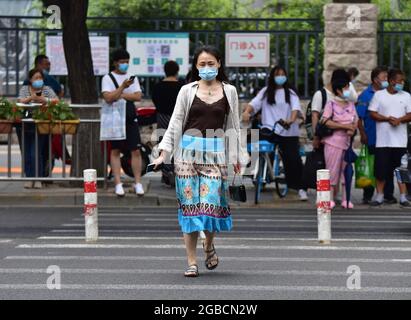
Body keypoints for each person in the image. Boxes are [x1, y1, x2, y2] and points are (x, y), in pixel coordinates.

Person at [152, 45, 248, 277]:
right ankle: (192, 262)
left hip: (215, 156)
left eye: (211, 63)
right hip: (186, 155)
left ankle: (208, 244)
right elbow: (175, 123)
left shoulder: (230, 91)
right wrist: (163, 152)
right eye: (202, 64)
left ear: (219, 64)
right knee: (190, 210)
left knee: (211, 205)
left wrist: (237, 157)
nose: (206, 68)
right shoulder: (186, 90)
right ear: (196, 67)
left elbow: (234, 126)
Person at [241, 65, 308, 201]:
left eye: (283, 74)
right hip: (269, 128)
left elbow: (295, 109)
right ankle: (256, 169)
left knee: (293, 159)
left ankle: (300, 188)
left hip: (288, 130)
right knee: (252, 139)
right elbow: (253, 104)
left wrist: (291, 120)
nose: (280, 77)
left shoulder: (291, 93)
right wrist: (247, 112)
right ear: (272, 77)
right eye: (277, 74)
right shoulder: (266, 92)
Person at [101, 48, 144, 197]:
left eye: (127, 62)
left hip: (130, 117)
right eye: (122, 62)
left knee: (136, 150)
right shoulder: (107, 78)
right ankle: (118, 183)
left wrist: (120, 94)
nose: (125, 65)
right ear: (115, 63)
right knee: (115, 151)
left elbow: (138, 96)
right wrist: (123, 88)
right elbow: (108, 97)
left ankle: (138, 182)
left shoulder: (133, 78)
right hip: (115, 119)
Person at [369, 68, 411, 208]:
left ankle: (403, 197)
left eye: (403, 81)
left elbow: (410, 114)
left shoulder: (406, 96)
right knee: (381, 170)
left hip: (400, 141)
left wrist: (399, 120)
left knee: (401, 169)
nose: (402, 83)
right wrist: (387, 119)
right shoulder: (379, 95)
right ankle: (379, 196)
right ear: (392, 81)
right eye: (399, 81)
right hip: (383, 141)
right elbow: (372, 113)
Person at [356, 66, 394, 204]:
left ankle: (388, 195)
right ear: (375, 79)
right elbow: (358, 117)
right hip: (372, 137)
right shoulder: (365, 95)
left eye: (387, 77)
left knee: (388, 166)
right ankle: (368, 194)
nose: (386, 80)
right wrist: (362, 133)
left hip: (388, 137)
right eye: (384, 77)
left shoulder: (389, 93)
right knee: (372, 166)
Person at [320, 77, 358, 209]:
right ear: (338, 90)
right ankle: (329, 199)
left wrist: (352, 129)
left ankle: (345, 199)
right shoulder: (330, 104)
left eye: (348, 87)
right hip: (333, 142)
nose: (348, 91)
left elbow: (355, 121)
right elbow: (325, 121)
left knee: (346, 171)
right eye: (346, 88)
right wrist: (344, 127)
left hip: (347, 143)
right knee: (331, 170)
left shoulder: (351, 105)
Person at [17, 68, 58, 189]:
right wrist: (31, 98)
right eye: (36, 78)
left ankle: (38, 178)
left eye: (40, 78)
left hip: (41, 124)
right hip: (24, 125)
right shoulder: (25, 89)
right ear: (30, 80)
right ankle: (29, 178)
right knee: (27, 152)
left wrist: (44, 100)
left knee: (36, 152)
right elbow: (20, 101)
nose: (39, 80)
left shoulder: (47, 89)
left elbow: (56, 101)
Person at [152, 60, 184, 186]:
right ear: (177, 71)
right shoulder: (182, 86)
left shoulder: (157, 87)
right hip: (178, 120)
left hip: (162, 119)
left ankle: (165, 173)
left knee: (164, 146)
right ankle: (178, 173)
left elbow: (155, 101)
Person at [311, 69, 355, 150]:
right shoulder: (320, 94)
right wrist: (316, 137)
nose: (347, 88)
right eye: (345, 84)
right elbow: (315, 116)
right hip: (325, 137)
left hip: (343, 139)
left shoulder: (343, 96)